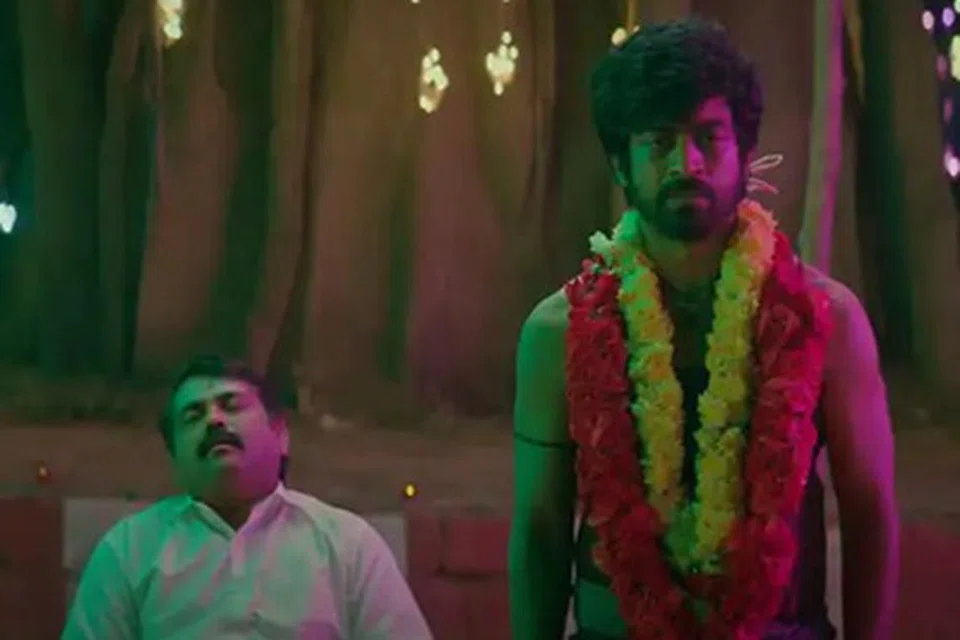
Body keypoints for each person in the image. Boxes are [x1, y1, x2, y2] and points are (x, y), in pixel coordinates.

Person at [508, 18, 899, 640]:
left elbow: (870, 513)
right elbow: (539, 528)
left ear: (744, 151)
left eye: (708, 137)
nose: (686, 162)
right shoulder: (559, 330)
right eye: (660, 142)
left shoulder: (825, 318)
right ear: (621, 163)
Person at [63, 355, 433, 640]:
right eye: (193, 415)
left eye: (231, 405)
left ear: (280, 435)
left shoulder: (348, 545)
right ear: (174, 457)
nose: (213, 421)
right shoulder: (130, 549)